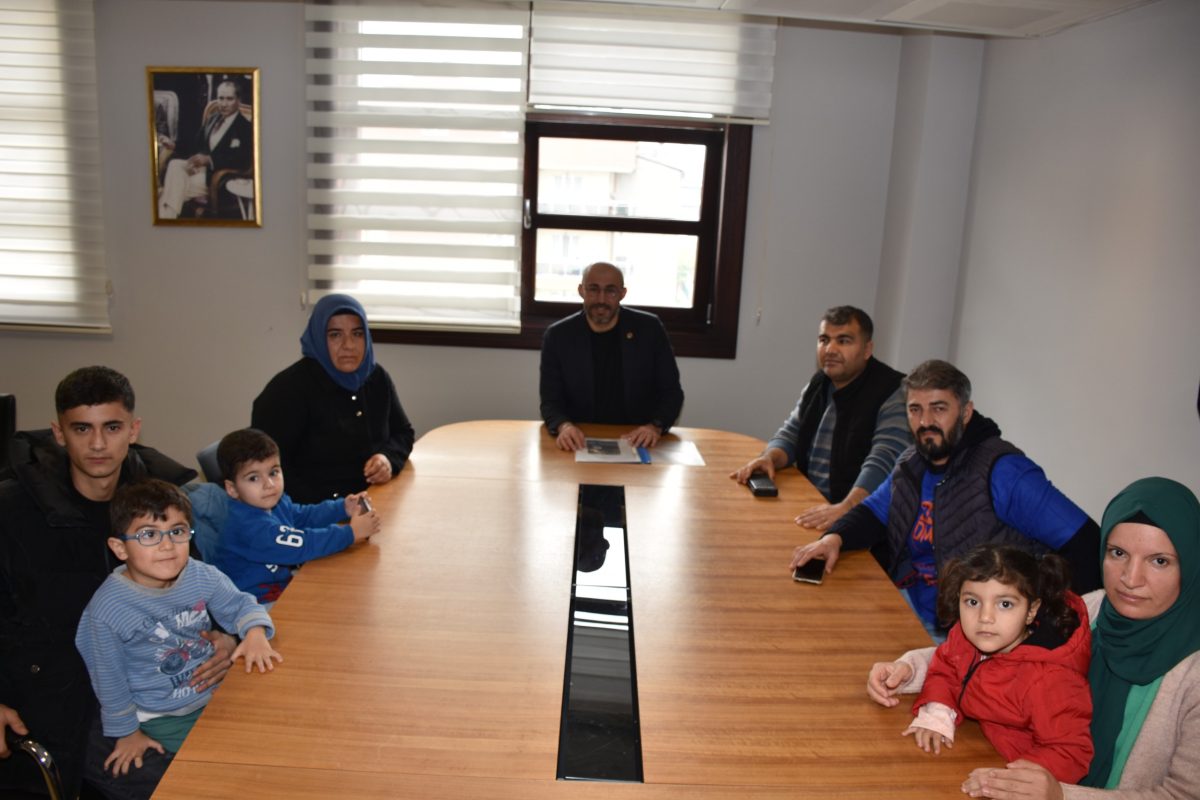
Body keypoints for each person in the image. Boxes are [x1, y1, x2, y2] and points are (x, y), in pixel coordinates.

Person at [868, 477, 1200, 800]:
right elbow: (994, 654)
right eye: (1118, 553)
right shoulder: (1088, 609)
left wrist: (1062, 794)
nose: (1131, 578)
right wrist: (910, 669)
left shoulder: (1193, 675)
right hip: (1010, 767)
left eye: (1159, 561)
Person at [0, 366, 234, 798]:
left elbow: (202, 581)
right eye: (81, 429)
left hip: (163, 681)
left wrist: (225, 636)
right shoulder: (13, 511)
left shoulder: (156, 500)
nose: (97, 444)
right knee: (198, 786)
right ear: (58, 433)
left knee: (258, 751)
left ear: (133, 430)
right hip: (68, 698)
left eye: (111, 427)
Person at [790, 359, 1101, 638]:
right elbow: (873, 512)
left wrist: (1045, 626)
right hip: (909, 606)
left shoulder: (1004, 471)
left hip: (971, 632)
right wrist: (834, 538)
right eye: (915, 409)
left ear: (965, 412)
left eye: (938, 408)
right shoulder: (911, 462)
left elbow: (1086, 541)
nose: (925, 421)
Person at [76, 480, 281, 799]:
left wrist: (254, 632)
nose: (167, 545)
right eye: (149, 535)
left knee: (274, 744)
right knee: (220, 779)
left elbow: (239, 603)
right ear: (120, 548)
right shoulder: (107, 610)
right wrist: (127, 733)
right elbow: (107, 678)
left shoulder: (198, 574)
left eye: (177, 531)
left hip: (215, 694)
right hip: (164, 715)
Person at [904, 545, 1092, 784]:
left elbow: (1070, 753)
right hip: (977, 748)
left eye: (1004, 604)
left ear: (1031, 611)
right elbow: (946, 668)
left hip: (1013, 774)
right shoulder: (966, 636)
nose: (985, 617)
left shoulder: (1050, 679)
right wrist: (938, 713)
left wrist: (1009, 780)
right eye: (972, 602)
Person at [730, 306, 909, 530]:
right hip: (811, 502)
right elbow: (791, 433)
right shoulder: (819, 383)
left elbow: (884, 460)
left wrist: (847, 507)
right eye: (824, 340)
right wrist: (769, 458)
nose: (830, 349)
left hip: (862, 517)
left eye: (843, 341)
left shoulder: (894, 391)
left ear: (867, 349)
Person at [252, 294, 415, 504]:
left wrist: (387, 459)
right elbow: (267, 469)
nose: (349, 345)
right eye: (335, 335)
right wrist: (332, 510)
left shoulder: (376, 378)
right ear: (319, 338)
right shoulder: (287, 391)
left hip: (374, 498)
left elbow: (403, 432)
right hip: (313, 511)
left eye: (357, 334)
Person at [212, 428, 379, 604]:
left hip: (281, 586)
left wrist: (342, 508)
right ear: (232, 489)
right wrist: (351, 533)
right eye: (254, 478)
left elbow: (304, 517)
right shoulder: (248, 528)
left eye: (273, 472)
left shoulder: (273, 502)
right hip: (255, 605)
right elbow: (303, 546)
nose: (269, 484)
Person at [539, 261, 684, 451]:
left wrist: (654, 427)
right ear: (581, 291)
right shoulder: (558, 335)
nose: (601, 299)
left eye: (610, 291)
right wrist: (564, 426)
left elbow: (672, 393)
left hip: (638, 437)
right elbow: (550, 401)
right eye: (593, 289)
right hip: (580, 438)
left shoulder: (650, 329)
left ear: (623, 293)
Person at [157, 79, 254, 220]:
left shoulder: (245, 127)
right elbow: (196, 143)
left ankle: (165, 219)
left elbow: (243, 159)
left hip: (219, 180)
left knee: (170, 191)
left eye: (229, 99)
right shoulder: (213, 119)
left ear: (238, 100)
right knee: (174, 165)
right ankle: (167, 218)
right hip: (200, 172)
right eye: (221, 98)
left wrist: (210, 160)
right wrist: (174, 145)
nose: (224, 104)